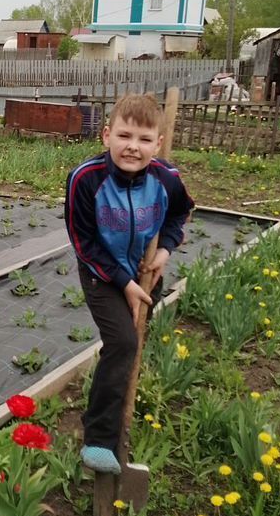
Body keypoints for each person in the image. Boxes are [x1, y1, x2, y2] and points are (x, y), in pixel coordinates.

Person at [64, 94, 194, 474]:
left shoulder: (166, 179)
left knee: (129, 347)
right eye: (124, 135)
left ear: (157, 144)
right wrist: (122, 282)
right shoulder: (85, 180)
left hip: (145, 270)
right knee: (123, 342)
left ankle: (118, 405)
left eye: (143, 139)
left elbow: (180, 214)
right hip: (101, 272)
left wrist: (165, 251)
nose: (132, 147)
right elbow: (82, 241)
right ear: (106, 136)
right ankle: (99, 440)